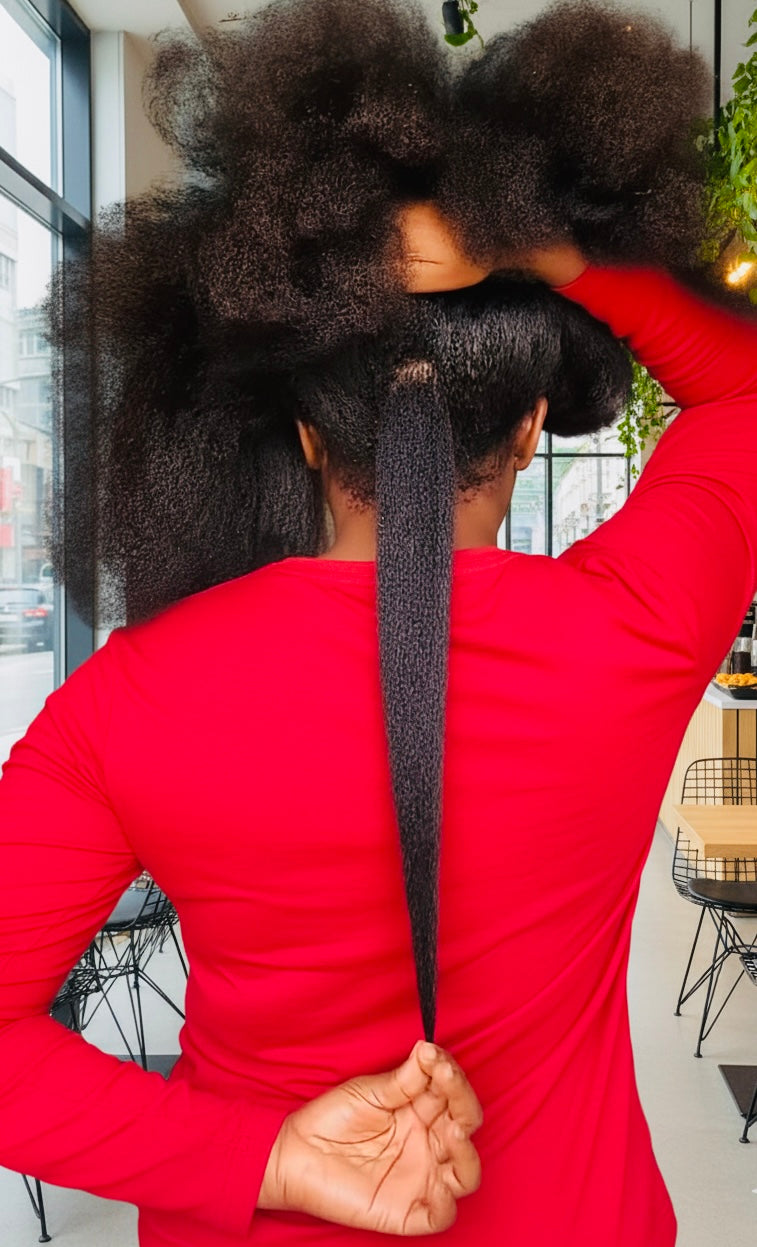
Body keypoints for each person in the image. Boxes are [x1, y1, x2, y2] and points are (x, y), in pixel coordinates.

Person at [2, 1, 757, 1244]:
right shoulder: (633, 633)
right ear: (528, 426)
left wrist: (268, 1155)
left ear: (299, 428)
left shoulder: (131, 698)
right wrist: (535, 237)